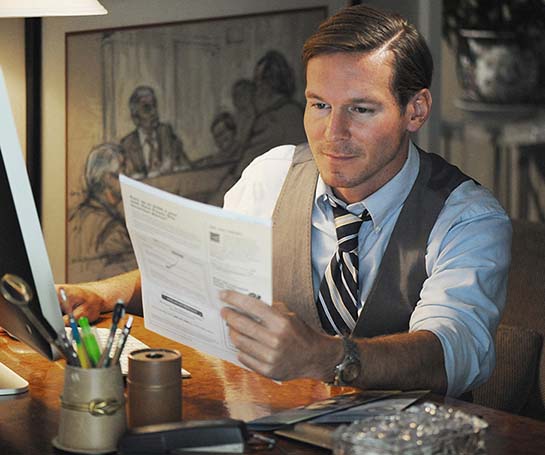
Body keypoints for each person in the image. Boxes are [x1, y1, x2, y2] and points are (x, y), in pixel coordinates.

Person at [58, 5, 511, 398]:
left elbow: (450, 352)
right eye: (319, 105)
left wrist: (326, 357)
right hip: (279, 426)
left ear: (416, 110)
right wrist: (99, 295)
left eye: (361, 109)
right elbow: (198, 270)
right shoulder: (273, 174)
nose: (333, 134)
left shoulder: (468, 217)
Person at [68, 143, 135, 275]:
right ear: (108, 178)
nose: (129, 177)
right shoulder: (114, 231)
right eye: (123, 170)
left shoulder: (74, 216)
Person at [120, 85, 192, 178]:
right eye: (147, 108)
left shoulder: (167, 134)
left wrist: (174, 168)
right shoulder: (127, 145)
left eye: (154, 106)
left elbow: (187, 169)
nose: (154, 112)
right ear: (135, 117)